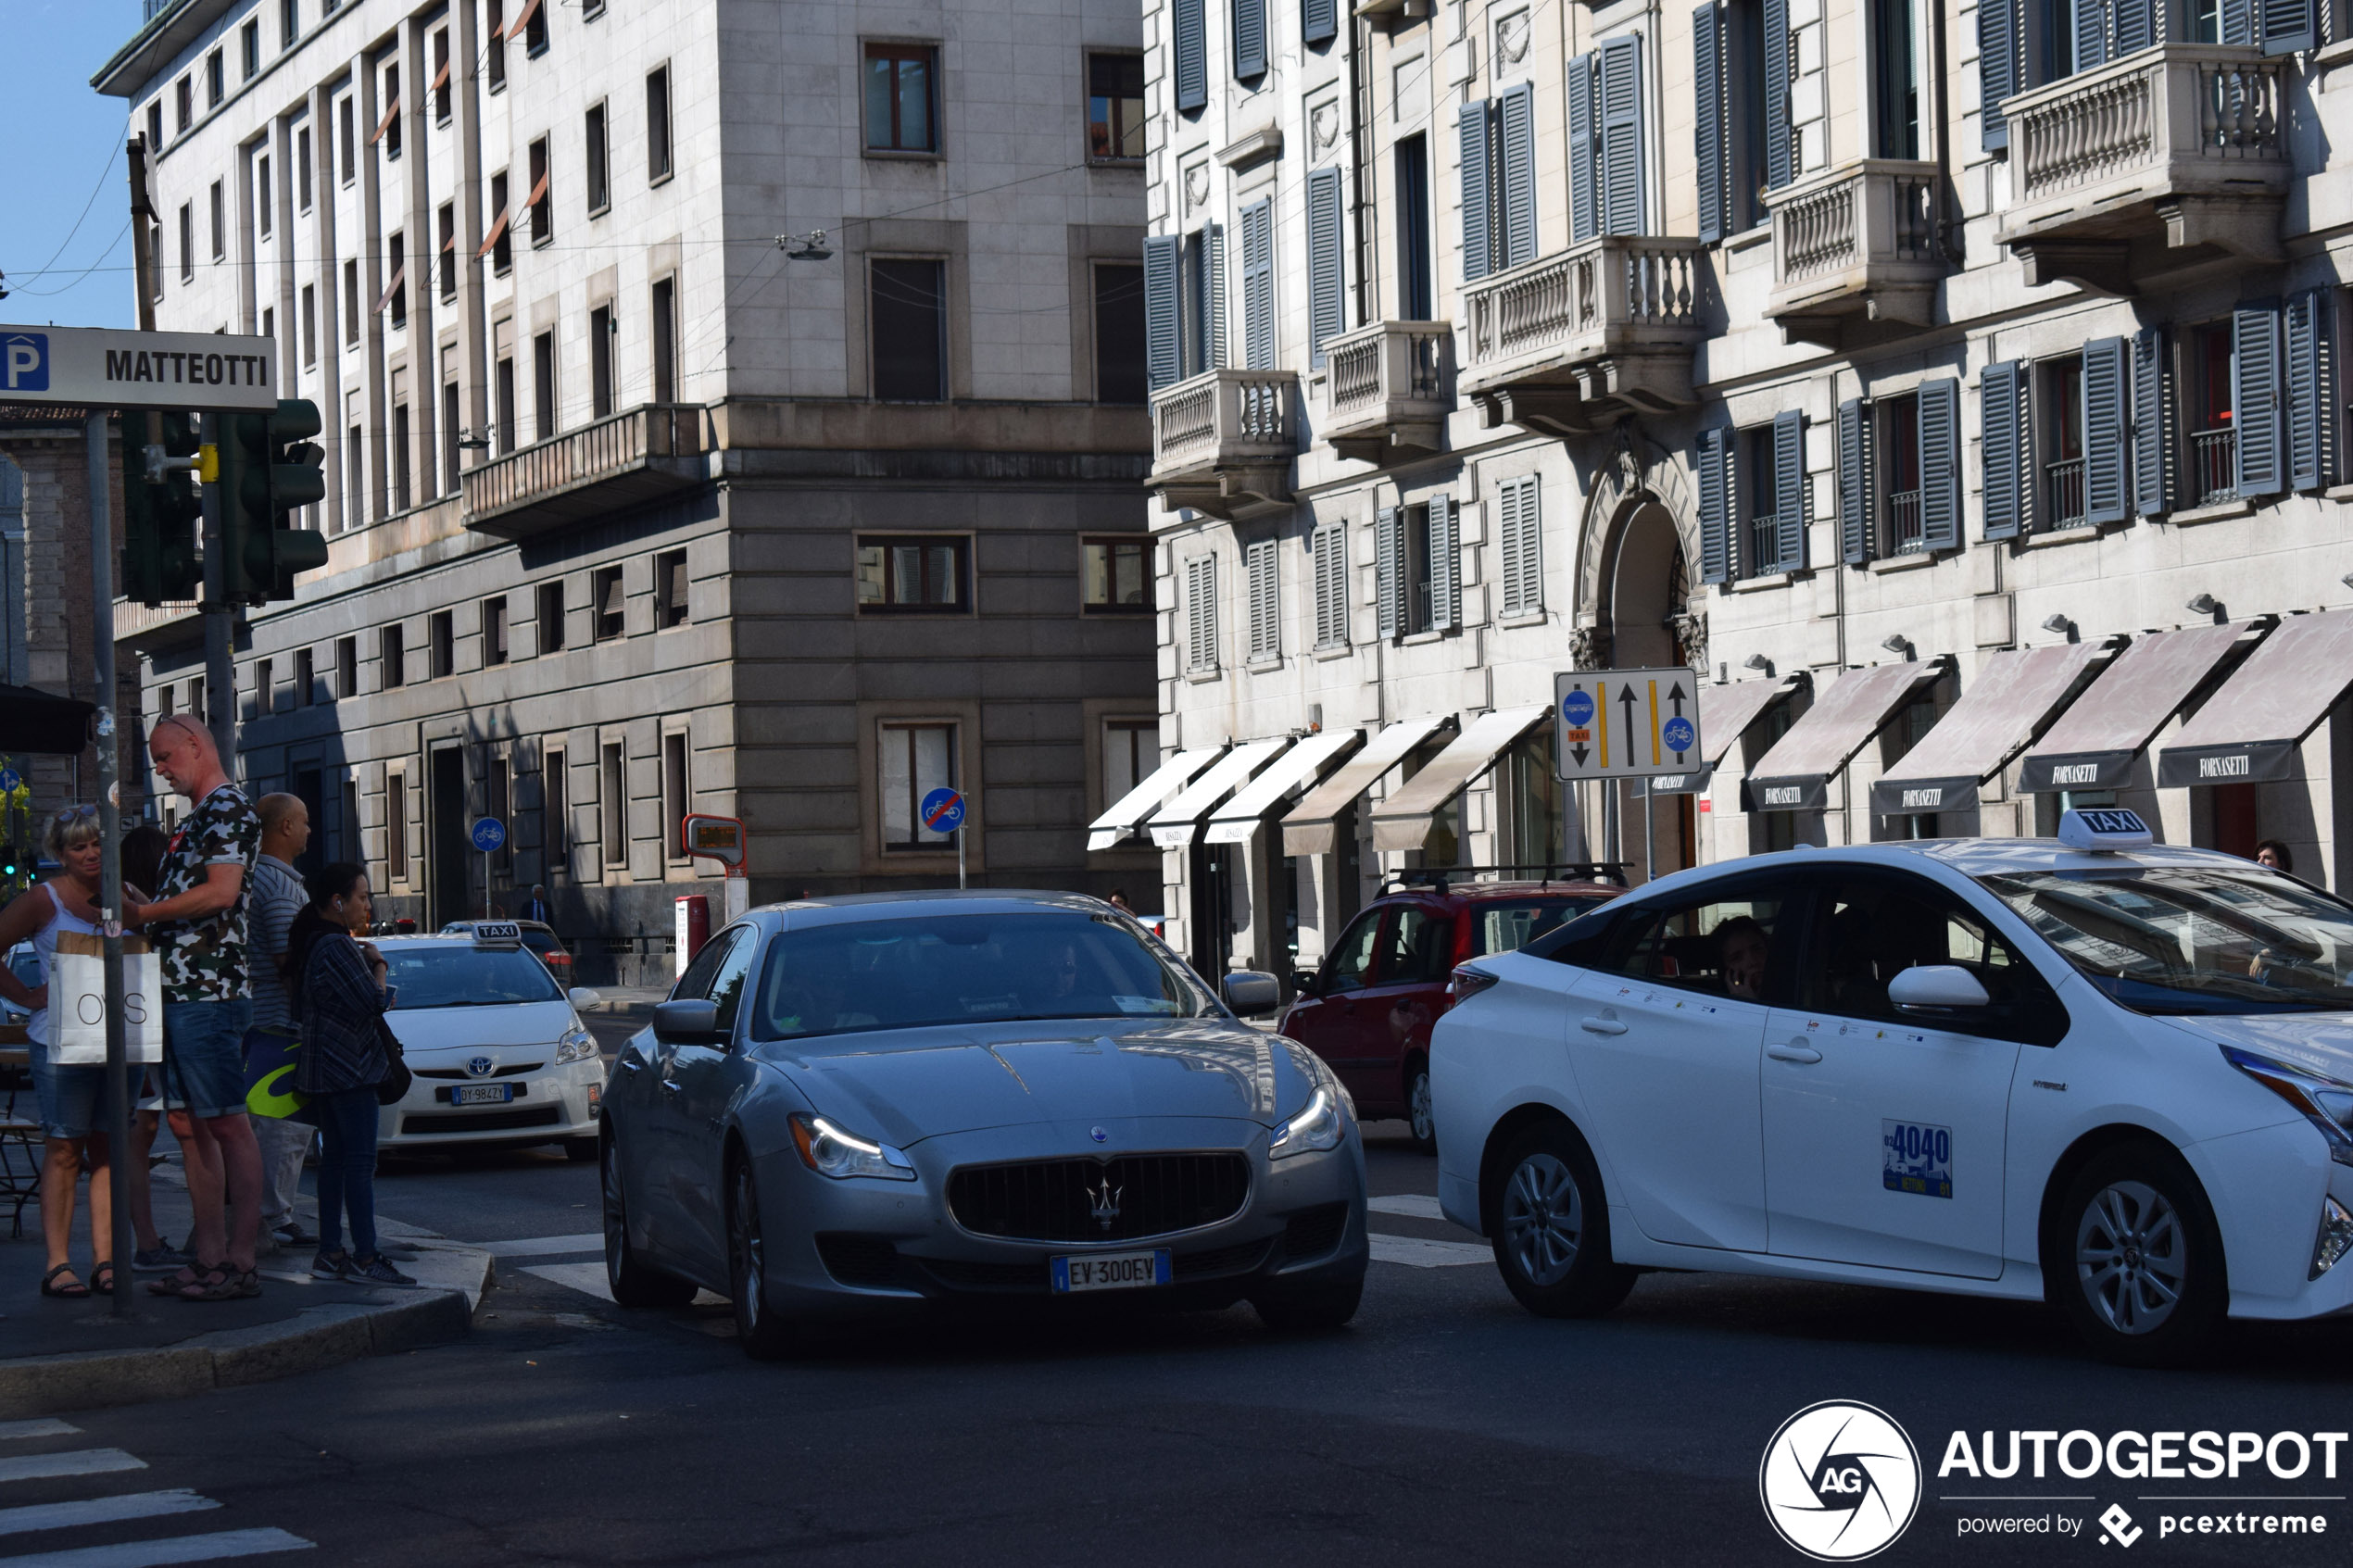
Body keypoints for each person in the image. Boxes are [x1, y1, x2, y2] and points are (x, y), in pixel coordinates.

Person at [123, 716, 266, 1302]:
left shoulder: (228, 808)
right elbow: (201, 893)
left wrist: (146, 915)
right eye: (155, 760)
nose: (159, 769)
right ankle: (210, 1257)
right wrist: (147, 903)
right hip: (183, 991)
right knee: (192, 1125)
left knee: (227, 1123)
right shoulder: (200, 816)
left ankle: (240, 1259)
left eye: (163, 757)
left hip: (209, 993)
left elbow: (222, 892)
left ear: (195, 745)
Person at [0, 807, 126, 1298]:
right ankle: (57, 1264)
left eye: (97, 843)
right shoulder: (43, 899)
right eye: (79, 846)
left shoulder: (128, 894)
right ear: (60, 855)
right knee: (64, 1147)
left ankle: (107, 1260)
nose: (91, 853)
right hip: (59, 1043)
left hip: (120, 1043)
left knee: (109, 1150)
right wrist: (28, 996)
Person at [285, 862, 412, 1286]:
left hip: (329, 1069)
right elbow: (372, 1002)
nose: (368, 905)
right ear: (337, 902)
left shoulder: (320, 942)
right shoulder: (336, 946)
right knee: (358, 1165)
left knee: (337, 1164)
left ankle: (330, 1252)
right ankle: (365, 1255)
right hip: (350, 1070)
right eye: (362, 897)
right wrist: (379, 965)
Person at [245, 794, 319, 1254]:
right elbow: (286, 962)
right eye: (306, 822)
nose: (311, 830)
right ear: (286, 826)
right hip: (280, 1025)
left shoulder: (268, 879)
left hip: (269, 1022)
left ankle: (273, 1212)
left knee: (279, 1129)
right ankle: (274, 1216)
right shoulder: (276, 886)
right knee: (283, 1129)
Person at [1716, 915, 1771, 1003]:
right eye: (1736, 957)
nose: (1752, 961)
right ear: (1725, 969)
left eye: (1757, 950)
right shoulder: (1719, 1003)